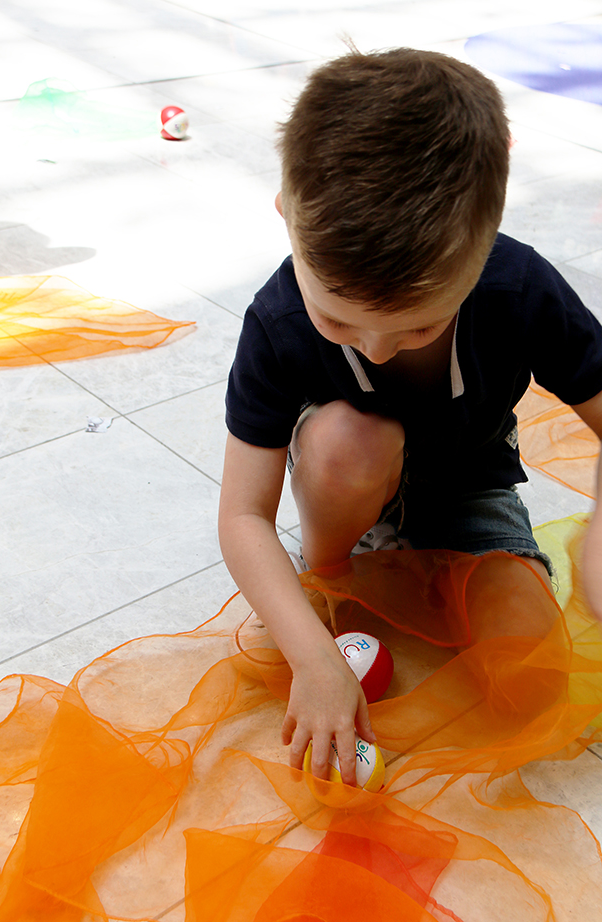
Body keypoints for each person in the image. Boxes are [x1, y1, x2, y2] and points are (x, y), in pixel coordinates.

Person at [218, 48, 602, 787]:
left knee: (531, 680)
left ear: (483, 249)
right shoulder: (275, 320)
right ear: (285, 218)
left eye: (419, 328)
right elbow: (242, 516)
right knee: (347, 438)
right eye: (338, 320)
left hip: (471, 493)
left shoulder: (518, 287)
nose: (376, 348)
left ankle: (436, 571)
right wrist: (313, 656)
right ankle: (334, 575)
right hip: (347, 480)